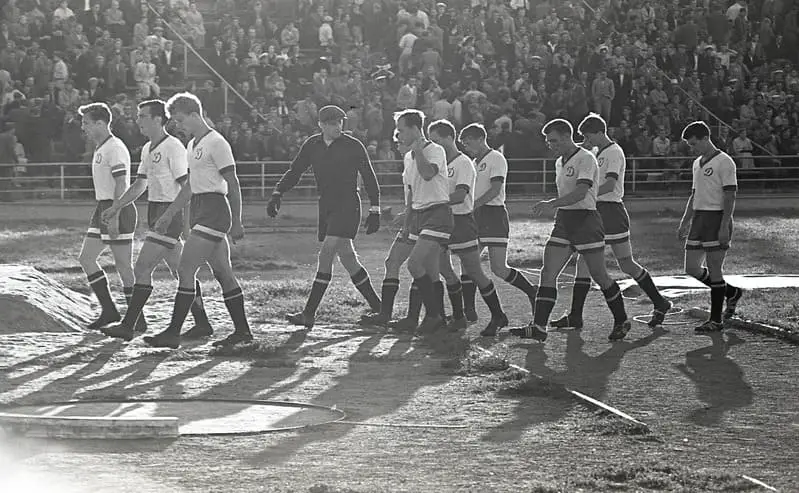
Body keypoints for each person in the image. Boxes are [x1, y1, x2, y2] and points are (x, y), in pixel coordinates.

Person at [142, 92, 252, 349]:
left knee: (185, 268)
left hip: (215, 209)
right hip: (202, 208)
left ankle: (172, 332)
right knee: (223, 273)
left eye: (180, 120)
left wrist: (237, 222)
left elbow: (233, 184)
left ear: (194, 114)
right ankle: (242, 332)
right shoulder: (193, 145)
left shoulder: (217, 142)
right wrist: (170, 214)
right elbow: (190, 185)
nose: (178, 126)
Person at [99, 99, 212, 342]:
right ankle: (202, 323)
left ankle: (129, 325)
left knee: (142, 268)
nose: (138, 120)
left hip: (168, 213)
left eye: (142, 116)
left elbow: (187, 187)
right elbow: (140, 184)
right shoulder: (147, 149)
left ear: (158, 119)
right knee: (181, 271)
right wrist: (117, 206)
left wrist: (182, 222)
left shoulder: (173, 148)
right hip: (156, 211)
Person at [511, 118, 631, 342]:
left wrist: (551, 203)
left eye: (554, 140)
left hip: (586, 220)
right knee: (548, 273)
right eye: (548, 142)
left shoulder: (586, 158)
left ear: (567, 136)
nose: (551, 145)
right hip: (565, 220)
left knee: (599, 275)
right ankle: (539, 327)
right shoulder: (560, 161)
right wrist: (556, 206)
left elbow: (581, 193)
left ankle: (622, 319)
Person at [551, 113, 672, 330]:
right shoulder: (596, 152)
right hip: (600, 210)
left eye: (589, 136)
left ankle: (659, 302)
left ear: (600, 133)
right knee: (585, 263)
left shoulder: (613, 152)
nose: (587, 141)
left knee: (624, 263)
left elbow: (609, 184)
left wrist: (585, 192)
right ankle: (576, 315)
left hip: (610, 211)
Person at [266, 105, 382, 329]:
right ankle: (379, 308)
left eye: (340, 121)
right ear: (321, 125)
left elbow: (369, 176)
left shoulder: (353, 145)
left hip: (348, 204)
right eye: (331, 122)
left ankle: (309, 313)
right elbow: (296, 170)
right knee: (348, 258)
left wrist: (375, 208)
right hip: (326, 204)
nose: (337, 126)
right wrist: (277, 192)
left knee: (327, 251)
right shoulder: (312, 144)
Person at [429, 119, 508, 334]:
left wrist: (433, 201)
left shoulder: (463, 162)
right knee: (441, 268)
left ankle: (498, 315)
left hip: (462, 222)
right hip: (443, 221)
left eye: (436, 141)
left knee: (474, 271)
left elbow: (461, 196)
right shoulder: (442, 163)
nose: (434, 146)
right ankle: (458, 315)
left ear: (448, 138)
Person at [458, 123, 538, 326]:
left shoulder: (495, 158)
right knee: (468, 263)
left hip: (493, 215)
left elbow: (495, 190)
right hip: (476, 215)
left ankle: (532, 291)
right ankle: (469, 311)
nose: (466, 147)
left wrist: (471, 205)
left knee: (499, 268)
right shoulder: (473, 162)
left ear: (479, 138)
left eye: (468, 142)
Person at [677, 121, 744, 333]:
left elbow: (730, 195)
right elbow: (694, 194)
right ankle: (731, 292)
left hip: (717, 218)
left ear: (706, 138)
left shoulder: (725, 162)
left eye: (694, 143)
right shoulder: (697, 163)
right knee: (691, 268)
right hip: (699, 219)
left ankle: (716, 320)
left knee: (715, 269)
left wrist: (725, 225)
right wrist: (685, 221)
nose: (692, 148)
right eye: (690, 144)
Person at [77, 102, 137, 331]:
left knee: (123, 264)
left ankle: (136, 317)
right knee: (86, 258)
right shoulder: (101, 147)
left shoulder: (115, 147)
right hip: (103, 207)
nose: (84, 127)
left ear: (101, 123)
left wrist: (114, 214)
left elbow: (122, 182)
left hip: (116, 207)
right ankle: (109, 310)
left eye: (87, 123)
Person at [394, 109, 453, 332]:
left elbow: (428, 174)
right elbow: (411, 192)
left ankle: (434, 316)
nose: (398, 135)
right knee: (429, 269)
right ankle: (437, 317)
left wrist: (418, 151)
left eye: (401, 130)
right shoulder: (408, 157)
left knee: (414, 264)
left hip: (437, 213)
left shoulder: (435, 150)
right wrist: (407, 221)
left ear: (413, 129)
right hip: (419, 215)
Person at [359, 132, 419, 328]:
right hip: (414, 217)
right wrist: (406, 213)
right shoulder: (408, 159)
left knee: (427, 268)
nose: (396, 146)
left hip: (425, 219)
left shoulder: (424, 157)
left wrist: (411, 214)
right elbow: (413, 193)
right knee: (392, 261)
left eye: (400, 141)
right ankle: (385, 314)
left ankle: (426, 317)